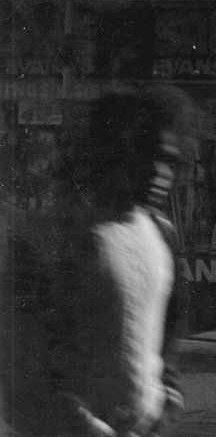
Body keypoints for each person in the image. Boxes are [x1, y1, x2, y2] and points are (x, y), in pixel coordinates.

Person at [2, 85, 193, 437]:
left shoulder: (161, 233)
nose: (160, 173)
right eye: (147, 155)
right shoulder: (48, 239)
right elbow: (19, 371)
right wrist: (79, 424)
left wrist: (167, 396)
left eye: (169, 160)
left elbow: (168, 334)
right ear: (116, 151)